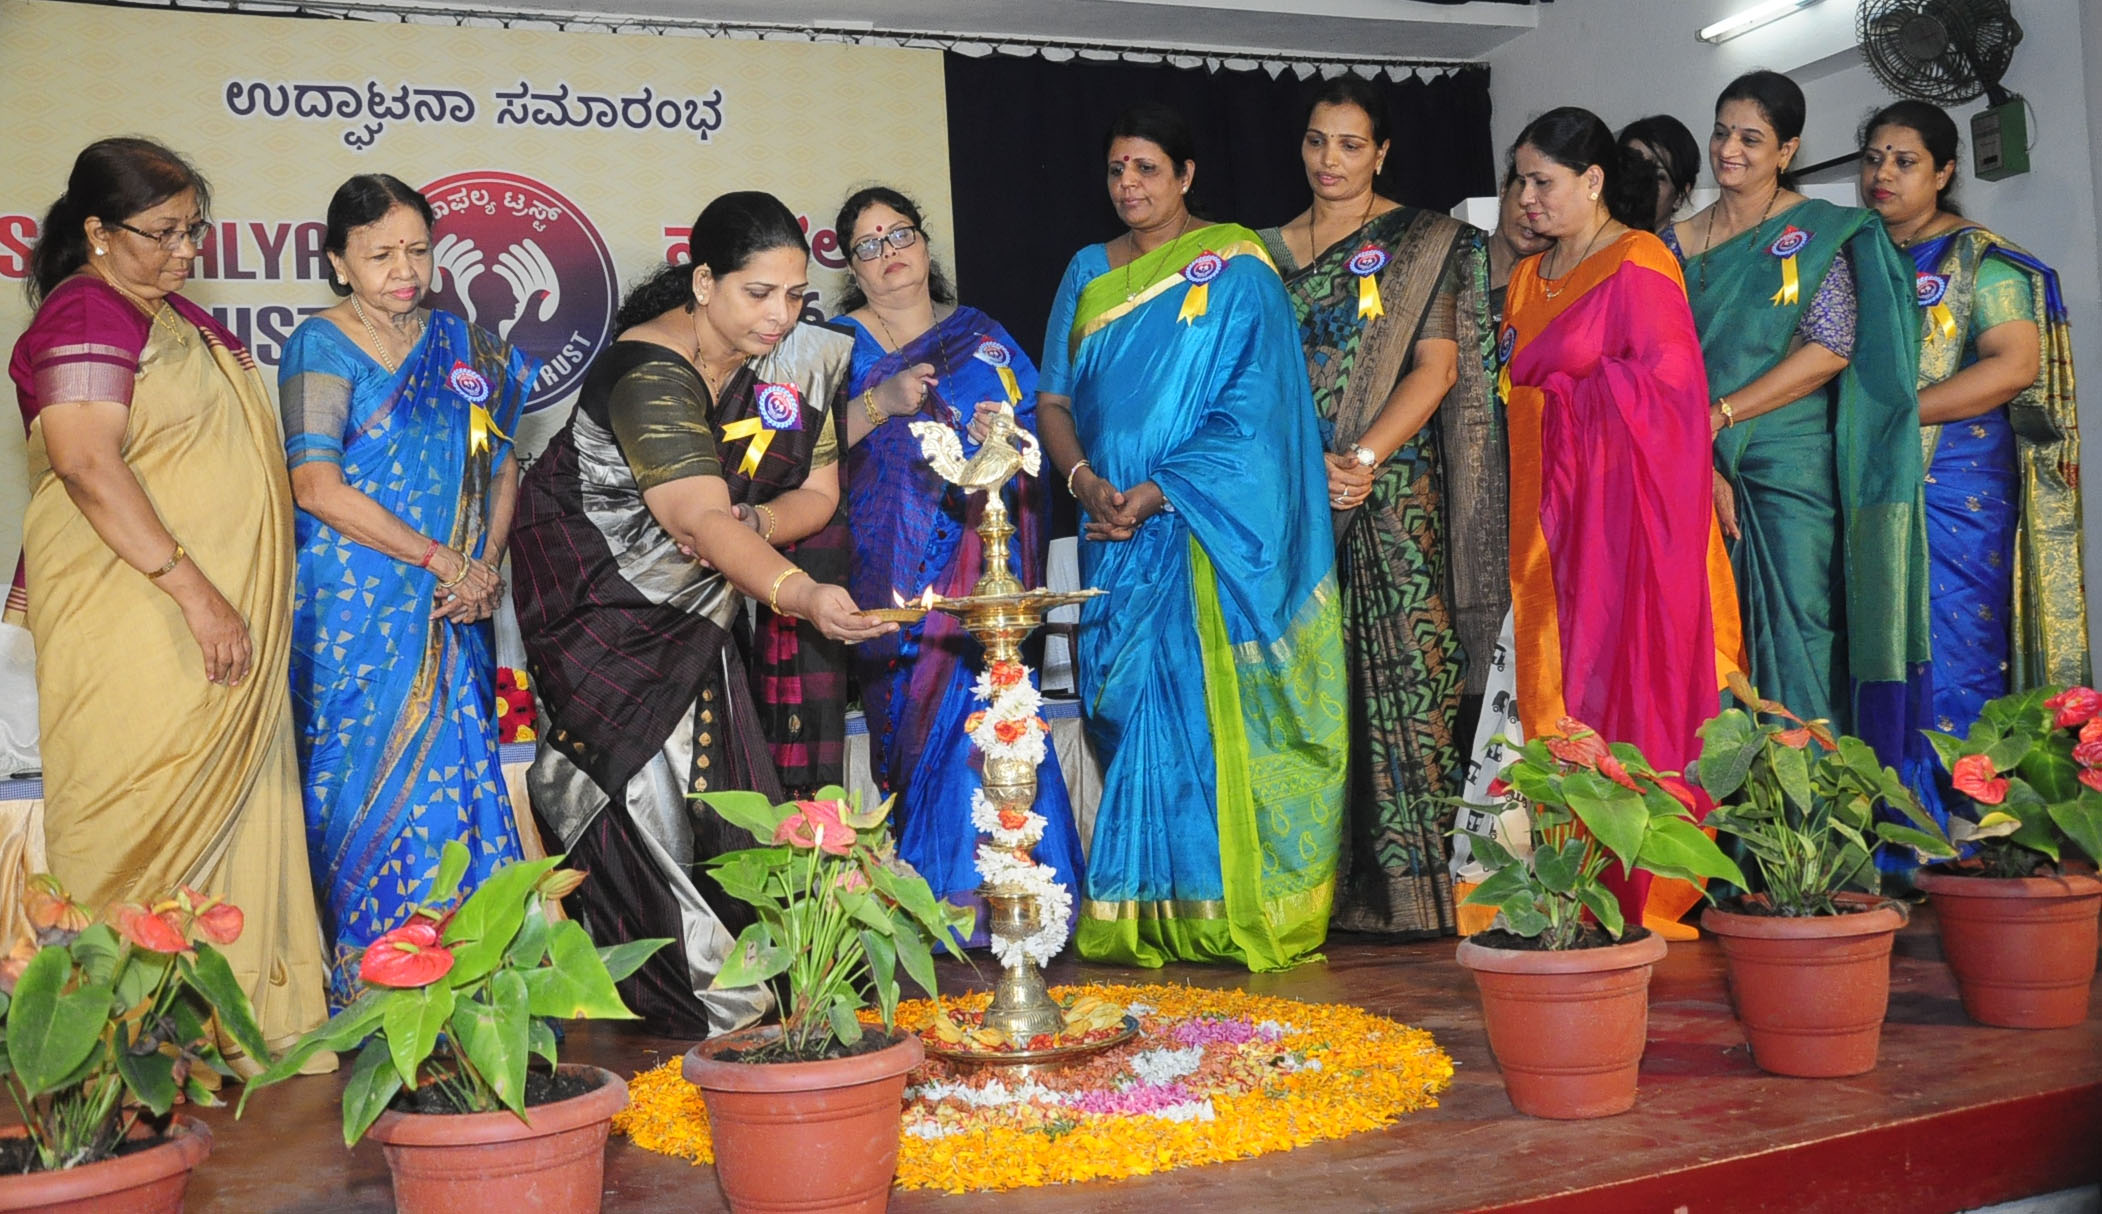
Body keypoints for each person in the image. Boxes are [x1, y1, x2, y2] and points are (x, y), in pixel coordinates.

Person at [510, 191, 893, 1036]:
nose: (781, 316)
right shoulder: (647, 372)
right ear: (705, 281)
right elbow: (695, 519)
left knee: (721, 790)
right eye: (759, 293)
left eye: (796, 295)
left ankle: (753, 987)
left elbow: (816, 497)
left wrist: (762, 527)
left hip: (707, 603)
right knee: (642, 795)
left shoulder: (804, 360)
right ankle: (701, 993)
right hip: (606, 604)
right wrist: (799, 592)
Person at [7, 138, 329, 1057]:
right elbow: (85, 462)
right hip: (141, 614)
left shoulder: (174, 317)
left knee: (242, 807)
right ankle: (114, 1049)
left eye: (196, 231)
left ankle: (243, 1029)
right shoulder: (85, 314)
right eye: (163, 233)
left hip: (211, 627)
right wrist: (196, 592)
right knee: (133, 811)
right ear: (98, 232)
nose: (186, 251)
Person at [1036, 103, 1348, 971]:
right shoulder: (1086, 272)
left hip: (1199, 533)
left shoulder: (1238, 264)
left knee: (1203, 718)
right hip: (1108, 527)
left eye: (1146, 168)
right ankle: (1146, 911)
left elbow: (1258, 410)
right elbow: (1053, 401)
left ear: (1185, 175)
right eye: (1116, 171)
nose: (1129, 186)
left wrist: (1162, 489)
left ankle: (1214, 906)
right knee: (1122, 709)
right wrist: (1085, 482)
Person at [1478, 107, 1743, 935]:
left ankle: (1635, 879)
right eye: (1519, 180)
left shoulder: (1639, 260)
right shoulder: (1527, 277)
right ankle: (1541, 883)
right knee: (1533, 692)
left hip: (1622, 533)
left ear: (1593, 183)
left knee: (1630, 683)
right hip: (1542, 534)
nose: (1526, 198)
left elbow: (1670, 400)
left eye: (1543, 182)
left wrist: (1553, 401)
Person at [279, 175, 531, 1005]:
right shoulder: (322, 344)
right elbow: (315, 485)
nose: (403, 269)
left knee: (457, 789)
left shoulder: (468, 345)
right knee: (358, 796)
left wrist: (481, 565)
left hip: (451, 603)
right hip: (356, 611)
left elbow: (501, 466)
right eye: (379, 254)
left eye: (417, 250)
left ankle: (475, 991)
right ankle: (376, 996)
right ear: (339, 263)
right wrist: (439, 559)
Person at [1257, 76, 1499, 937]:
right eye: (1318, 141)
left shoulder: (1427, 242)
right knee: (1301, 687)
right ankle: (1307, 888)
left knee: (1405, 678)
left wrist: (1359, 460)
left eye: (1352, 145)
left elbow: (1438, 367)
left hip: (1392, 494)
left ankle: (1410, 897)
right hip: (1286, 499)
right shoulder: (1259, 254)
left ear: (1383, 151)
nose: (1331, 160)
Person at [830, 186, 1084, 941]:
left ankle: (1018, 899)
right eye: (868, 244)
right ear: (850, 264)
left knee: (989, 706)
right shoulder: (835, 345)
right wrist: (883, 400)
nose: (889, 253)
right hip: (888, 568)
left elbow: (1036, 428)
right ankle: (928, 905)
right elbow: (802, 448)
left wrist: (997, 430)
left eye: (898, 233)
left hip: (981, 566)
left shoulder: (983, 336)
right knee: (910, 730)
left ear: (924, 241)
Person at [1665, 70, 1929, 776]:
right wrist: (1697, 443)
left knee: (1800, 631)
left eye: (1751, 138)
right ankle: (1728, 836)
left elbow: (1831, 349)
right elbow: (1656, 354)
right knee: (1705, 641)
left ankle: (1811, 843)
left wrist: (1721, 413)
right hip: (1688, 463)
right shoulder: (1672, 243)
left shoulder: (1817, 234)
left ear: (1787, 150)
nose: (1729, 149)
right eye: (1722, 131)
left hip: (1787, 466)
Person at [1859, 100, 2089, 831]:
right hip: (1871, 484)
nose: (1882, 175)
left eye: (1904, 161)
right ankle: (1896, 826)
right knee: (1878, 652)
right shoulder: (1859, 254)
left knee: (1956, 644)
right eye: (1873, 159)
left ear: (1946, 171)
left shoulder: (1977, 260)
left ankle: (1967, 827)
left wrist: (1898, 415)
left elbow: (2015, 364)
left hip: (1958, 490)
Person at [1487, 169, 1554, 326]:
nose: (1534, 217)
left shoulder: (1559, 288)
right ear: (1504, 189)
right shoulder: (1449, 260)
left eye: (1547, 209)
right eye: (1528, 202)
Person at [1618, 115, 1702, 233]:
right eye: (1631, 167)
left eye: (1658, 176)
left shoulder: (1683, 250)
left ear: (1679, 197)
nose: (1640, 181)